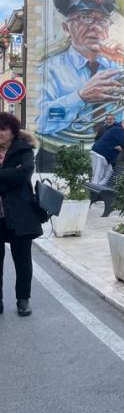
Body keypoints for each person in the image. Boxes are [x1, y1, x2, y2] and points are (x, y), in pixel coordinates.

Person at [36, 0, 124, 137]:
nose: (95, 27)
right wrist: (80, 96)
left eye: (102, 21)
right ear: (66, 28)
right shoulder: (49, 69)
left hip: (112, 147)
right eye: (86, 17)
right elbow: (41, 123)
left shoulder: (119, 66)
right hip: (69, 151)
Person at [0, 113, 42, 316]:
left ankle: (23, 300)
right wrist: (11, 174)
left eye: (3, 129)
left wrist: (11, 174)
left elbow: (23, 173)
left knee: (23, 260)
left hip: (20, 212)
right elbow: (14, 176)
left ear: (12, 131)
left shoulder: (24, 150)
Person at [89, 118, 124, 187]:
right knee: (97, 176)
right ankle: (94, 195)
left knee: (108, 172)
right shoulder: (119, 130)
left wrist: (122, 147)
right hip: (100, 154)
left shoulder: (121, 131)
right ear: (122, 123)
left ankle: (99, 191)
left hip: (105, 157)